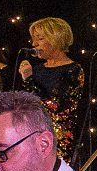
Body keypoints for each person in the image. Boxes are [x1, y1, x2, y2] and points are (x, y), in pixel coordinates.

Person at [16, 16, 85, 147]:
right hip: (32, 135)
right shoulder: (37, 69)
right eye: (33, 39)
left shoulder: (73, 70)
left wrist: (29, 79)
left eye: (40, 38)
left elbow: (56, 106)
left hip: (58, 139)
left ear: (56, 39)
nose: (34, 44)